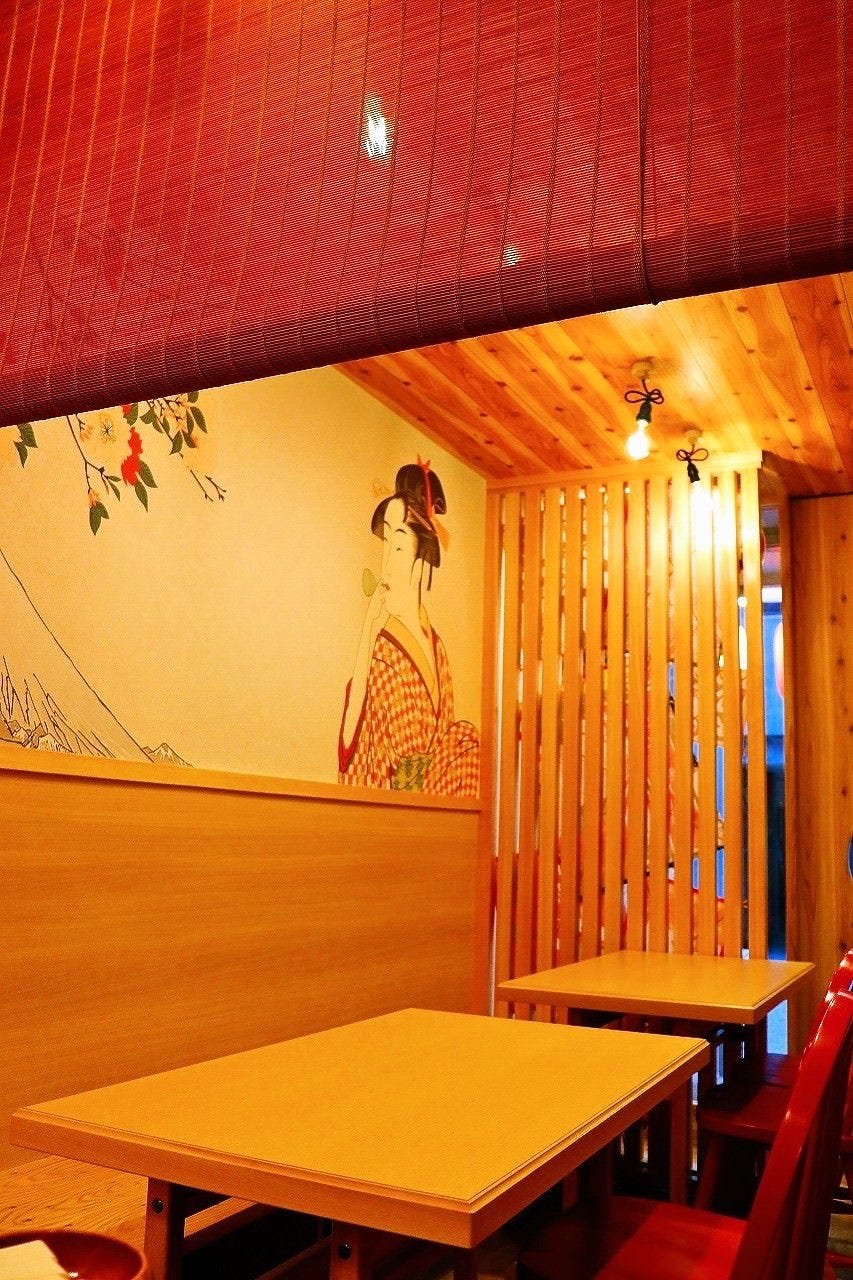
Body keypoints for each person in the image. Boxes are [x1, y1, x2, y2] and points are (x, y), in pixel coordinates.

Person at [338, 460, 479, 795]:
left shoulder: (438, 649)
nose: (387, 559)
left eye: (399, 545)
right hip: (398, 804)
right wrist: (368, 630)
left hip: (439, 806)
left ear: (421, 558)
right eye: (386, 542)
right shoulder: (383, 651)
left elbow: (447, 744)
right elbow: (352, 745)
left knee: (465, 738)